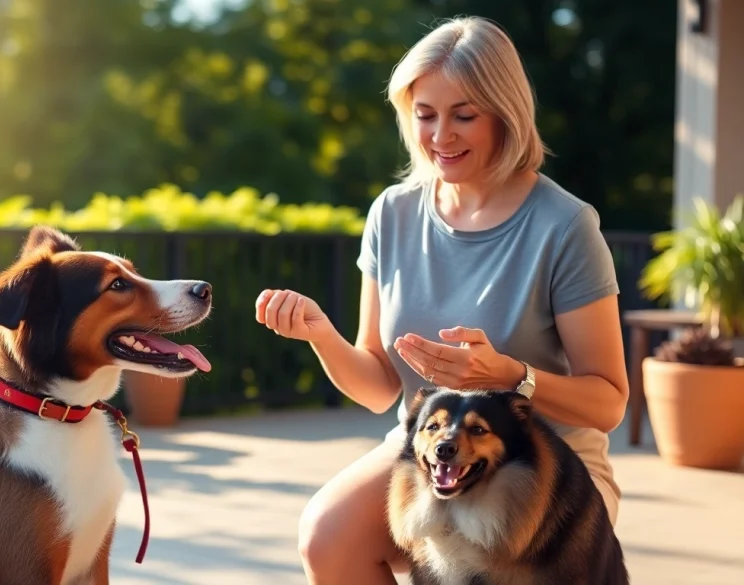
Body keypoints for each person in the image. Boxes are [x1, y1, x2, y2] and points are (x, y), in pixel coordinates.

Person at [254, 15, 630, 585]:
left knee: (491, 561)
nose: (440, 136)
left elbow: (608, 403)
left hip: (542, 463)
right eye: (425, 114)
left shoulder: (566, 226)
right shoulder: (392, 213)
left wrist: (512, 376)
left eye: (464, 115)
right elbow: (379, 386)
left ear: (505, 114)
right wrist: (320, 334)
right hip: (433, 452)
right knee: (327, 535)